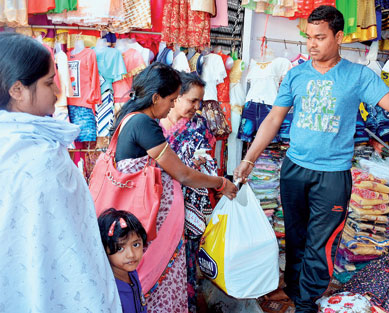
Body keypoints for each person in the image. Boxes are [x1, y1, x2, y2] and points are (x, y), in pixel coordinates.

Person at [234, 5, 389, 313]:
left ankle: (306, 303)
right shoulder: (295, 75)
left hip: (332, 176)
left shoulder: (358, 75)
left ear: (339, 36)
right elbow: (272, 121)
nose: (312, 44)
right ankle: (294, 290)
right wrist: (249, 158)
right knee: (295, 237)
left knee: (320, 244)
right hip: (294, 169)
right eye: (309, 37)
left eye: (320, 37)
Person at [0, 33, 122, 312]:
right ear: (17, 90)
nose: (57, 91)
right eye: (49, 82)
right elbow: (73, 250)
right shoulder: (43, 159)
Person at [109, 62, 237, 313]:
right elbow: (182, 173)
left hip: (151, 218)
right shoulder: (144, 125)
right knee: (152, 277)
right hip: (149, 220)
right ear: (156, 97)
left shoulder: (132, 120)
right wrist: (221, 182)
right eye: (171, 99)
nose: (170, 106)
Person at [160, 72, 216, 313]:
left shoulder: (199, 125)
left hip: (190, 204)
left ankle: (187, 306)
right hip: (161, 205)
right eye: (192, 100)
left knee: (187, 263)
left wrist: (200, 164)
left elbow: (208, 161)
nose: (196, 107)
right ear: (176, 97)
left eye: (199, 102)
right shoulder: (155, 125)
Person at [98, 208, 148, 313]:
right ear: (104, 248)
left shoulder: (132, 273)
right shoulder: (109, 289)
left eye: (136, 245)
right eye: (120, 248)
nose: (131, 255)